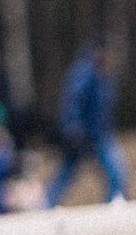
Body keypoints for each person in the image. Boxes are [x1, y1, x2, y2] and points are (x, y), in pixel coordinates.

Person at [46, 42, 127, 207]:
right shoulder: (85, 74)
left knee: (112, 169)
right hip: (84, 134)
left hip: (98, 132)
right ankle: (47, 204)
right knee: (71, 170)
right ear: (102, 53)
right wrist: (73, 127)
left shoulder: (104, 76)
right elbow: (73, 102)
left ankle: (115, 198)